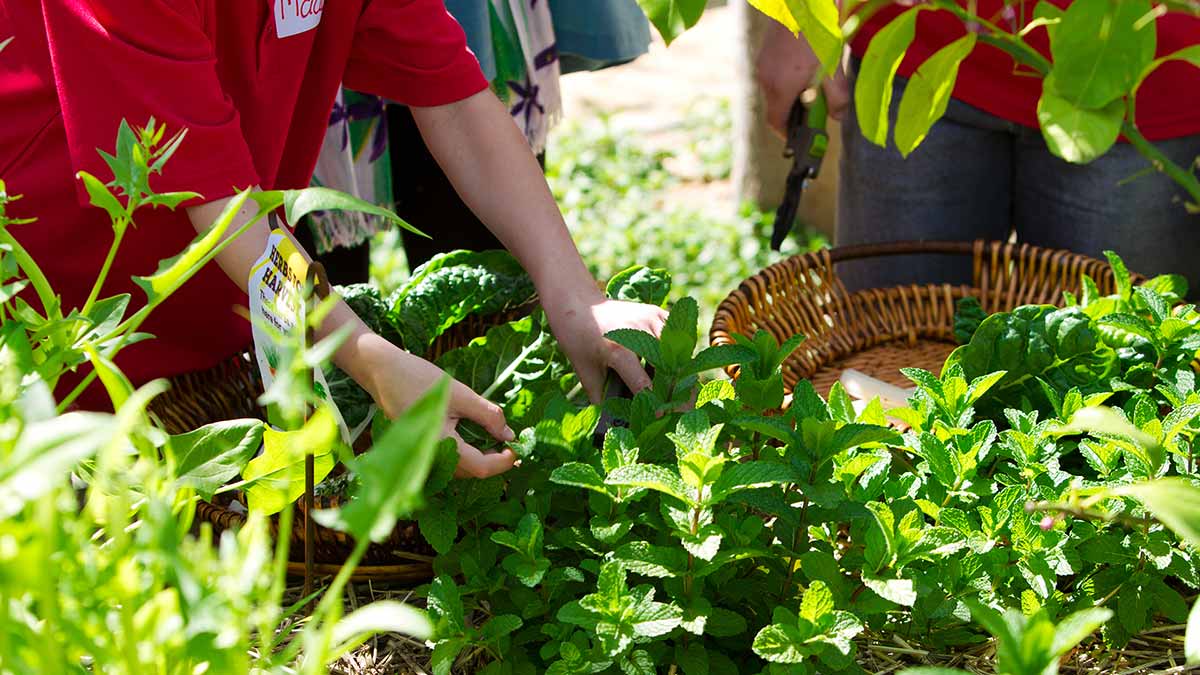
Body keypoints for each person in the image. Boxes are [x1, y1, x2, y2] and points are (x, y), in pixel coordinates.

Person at [0, 1, 666, 479]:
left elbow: (451, 93)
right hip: (63, 325)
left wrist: (577, 295)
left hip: (222, 312)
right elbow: (218, 203)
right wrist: (368, 356)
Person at [755, 1, 1200, 291]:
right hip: (918, 50)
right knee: (893, 370)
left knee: (1122, 387)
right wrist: (804, 10)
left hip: (1142, 78)